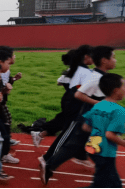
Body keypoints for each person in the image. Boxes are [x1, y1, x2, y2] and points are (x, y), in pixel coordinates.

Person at [40, 46, 116, 185]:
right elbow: (78, 94)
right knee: (75, 146)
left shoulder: (103, 77)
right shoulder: (95, 77)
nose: (115, 61)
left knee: (87, 145)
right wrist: (98, 103)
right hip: (87, 118)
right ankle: (49, 164)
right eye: (113, 57)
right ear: (104, 60)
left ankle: (105, 174)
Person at [38, 45, 94, 164]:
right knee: (69, 132)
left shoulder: (79, 69)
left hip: (73, 102)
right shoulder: (82, 71)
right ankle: (47, 158)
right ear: (86, 56)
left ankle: (80, 155)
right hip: (74, 103)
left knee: (81, 130)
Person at [79, 73, 125, 188]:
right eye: (123, 86)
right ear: (116, 90)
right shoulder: (119, 110)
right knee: (114, 185)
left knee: (101, 182)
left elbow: (86, 127)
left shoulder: (98, 105)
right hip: (106, 152)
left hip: (93, 147)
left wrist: (99, 129)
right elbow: (110, 135)